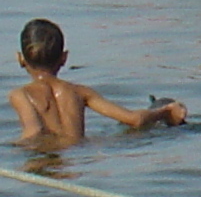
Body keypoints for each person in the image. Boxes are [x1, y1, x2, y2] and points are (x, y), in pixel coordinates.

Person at [11, 18, 186, 142]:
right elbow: (134, 119)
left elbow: (34, 131)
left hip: (45, 159)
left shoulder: (21, 95)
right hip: (77, 160)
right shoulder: (80, 92)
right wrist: (166, 111)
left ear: (20, 59)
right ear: (64, 58)